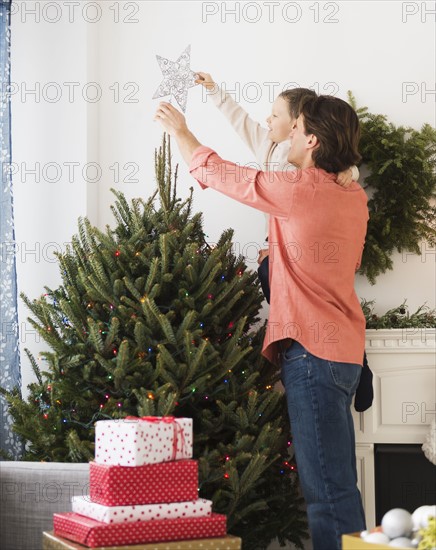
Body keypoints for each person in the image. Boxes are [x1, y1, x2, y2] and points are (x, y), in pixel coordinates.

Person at [155, 95, 368, 550]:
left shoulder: (298, 190)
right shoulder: (353, 197)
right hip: (345, 353)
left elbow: (227, 175)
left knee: (326, 495)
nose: (287, 134)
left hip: (313, 355)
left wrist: (181, 130)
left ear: (311, 139)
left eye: (296, 129)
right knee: (341, 486)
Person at [196, 73, 373, 413]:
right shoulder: (269, 146)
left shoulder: (314, 173)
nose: (269, 120)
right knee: (273, 275)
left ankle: (359, 363)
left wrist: (349, 172)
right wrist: (215, 91)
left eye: (277, 115)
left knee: (324, 298)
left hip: (304, 246)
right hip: (277, 244)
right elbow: (240, 120)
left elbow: (344, 166)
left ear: (301, 128)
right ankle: (301, 338)